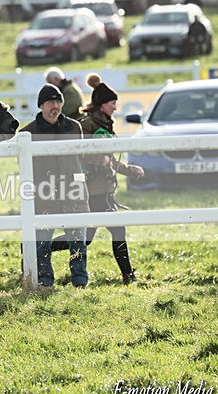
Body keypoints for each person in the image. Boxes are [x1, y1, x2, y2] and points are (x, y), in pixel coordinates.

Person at [21, 84, 90, 287]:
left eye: (58, 101)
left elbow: (81, 157)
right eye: (51, 102)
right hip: (44, 193)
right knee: (42, 241)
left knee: (78, 241)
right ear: (41, 105)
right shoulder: (28, 133)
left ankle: (79, 280)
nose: (56, 106)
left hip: (73, 191)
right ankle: (44, 280)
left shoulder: (74, 127)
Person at [78, 73, 144, 285]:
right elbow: (79, 153)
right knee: (112, 231)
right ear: (102, 104)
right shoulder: (86, 125)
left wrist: (128, 170)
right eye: (113, 103)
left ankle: (41, 249)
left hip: (104, 190)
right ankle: (128, 275)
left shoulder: (106, 125)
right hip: (92, 190)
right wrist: (101, 160)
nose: (116, 107)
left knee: (86, 238)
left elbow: (111, 159)